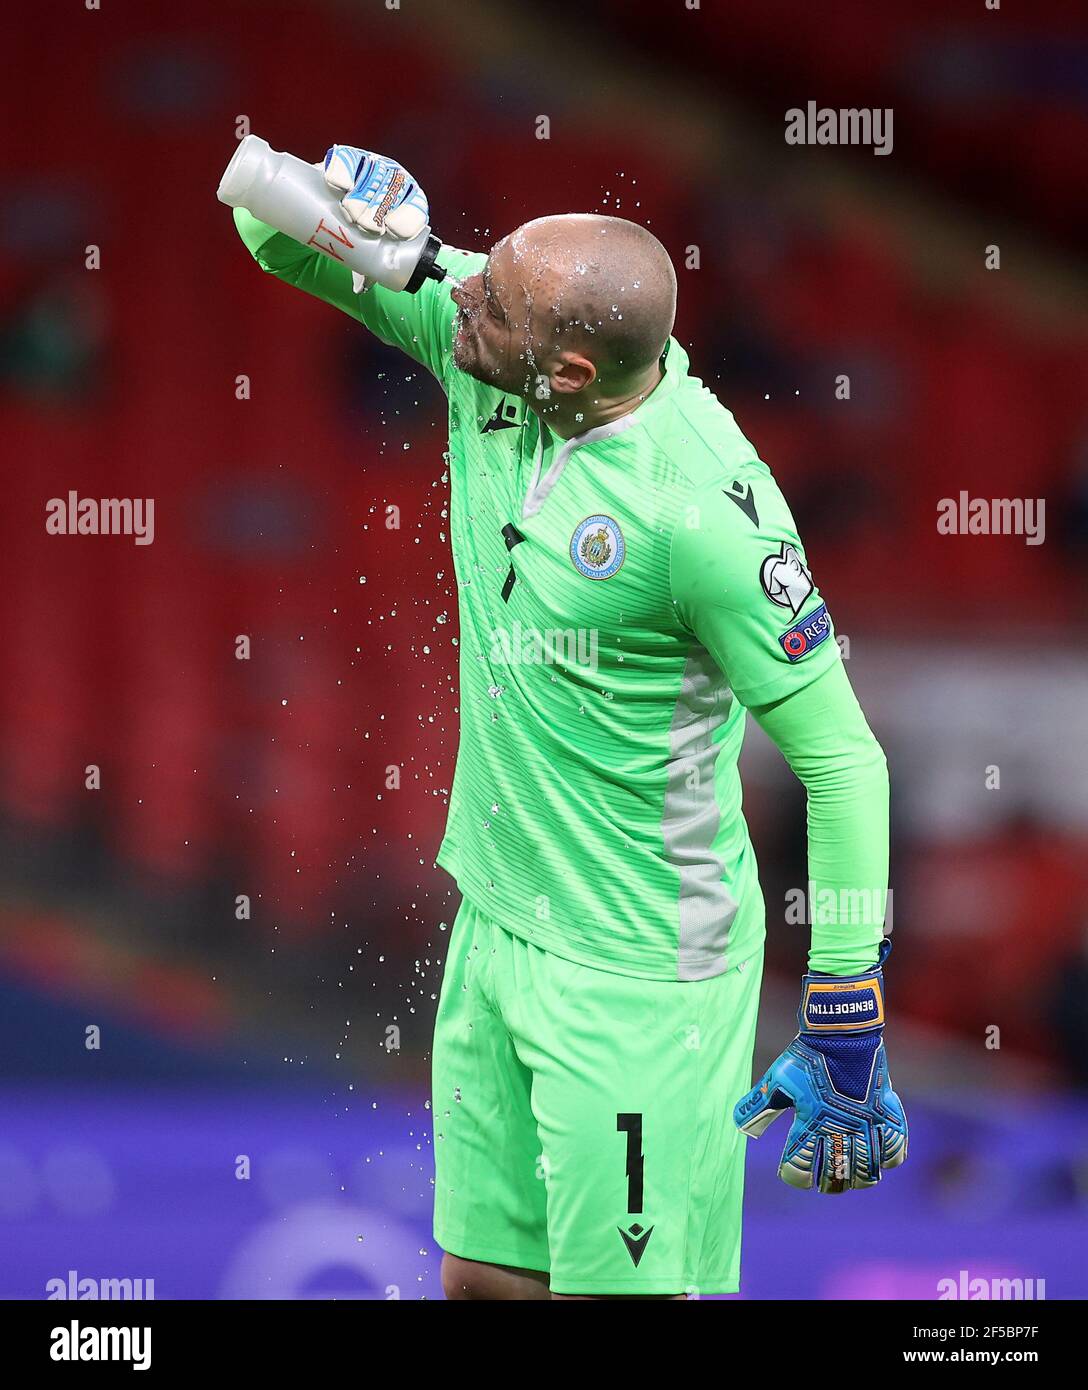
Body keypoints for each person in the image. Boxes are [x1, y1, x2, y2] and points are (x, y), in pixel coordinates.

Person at [231, 144, 907, 1301]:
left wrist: (844, 1001)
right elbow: (267, 232)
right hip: (498, 924)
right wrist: (341, 202)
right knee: (483, 1282)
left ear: (571, 368)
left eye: (487, 301)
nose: (455, 296)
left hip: (638, 971)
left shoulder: (705, 517)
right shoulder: (493, 347)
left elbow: (844, 763)